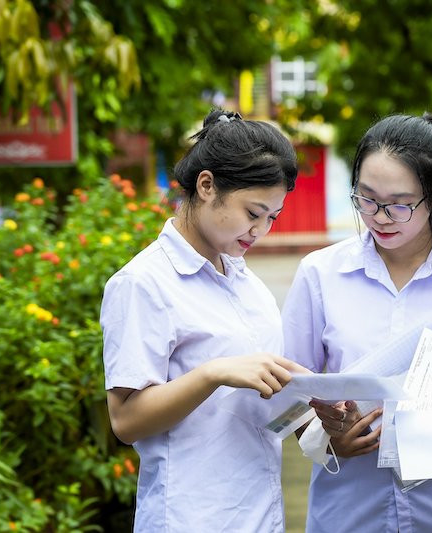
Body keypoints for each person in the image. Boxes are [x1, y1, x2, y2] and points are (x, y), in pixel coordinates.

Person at [282, 113, 432, 532]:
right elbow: (290, 391)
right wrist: (327, 439)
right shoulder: (320, 275)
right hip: (349, 509)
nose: (381, 216)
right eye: (367, 199)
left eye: (400, 204)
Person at [101, 109, 309, 532]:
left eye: (272, 217)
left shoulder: (246, 282)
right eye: (253, 213)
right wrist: (212, 374)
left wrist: (314, 411)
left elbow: (258, 406)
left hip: (261, 513)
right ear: (207, 185)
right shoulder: (143, 283)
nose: (261, 231)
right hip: (189, 517)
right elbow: (125, 421)